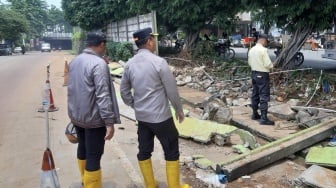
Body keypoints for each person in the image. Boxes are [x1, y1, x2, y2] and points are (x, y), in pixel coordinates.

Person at [120, 27, 189, 188]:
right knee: (171, 150)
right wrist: (178, 109)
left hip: (142, 118)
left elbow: (124, 91)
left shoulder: (130, 64)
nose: (155, 42)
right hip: (161, 117)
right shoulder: (159, 62)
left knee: (144, 150)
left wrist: (134, 104)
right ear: (149, 41)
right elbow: (171, 89)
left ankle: (150, 185)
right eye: (153, 39)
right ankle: (174, 186)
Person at [67, 31, 121, 188]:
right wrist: (109, 123)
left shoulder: (75, 61)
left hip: (77, 117)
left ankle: (85, 181)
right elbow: (103, 96)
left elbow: (73, 89)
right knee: (94, 155)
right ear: (102, 44)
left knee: (83, 147)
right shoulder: (99, 64)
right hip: (94, 120)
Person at [248, 34, 274, 125]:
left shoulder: (251, 50)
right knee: (264, 95)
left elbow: (250, 63)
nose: (266, 44)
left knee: (255, 94)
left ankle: (254, 114)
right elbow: (268, 64)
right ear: (263, 40)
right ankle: (263, 118)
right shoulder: (263, 50)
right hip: (262, 74)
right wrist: (272, 66)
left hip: (254, 73)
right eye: (266, 42)